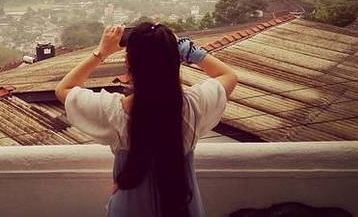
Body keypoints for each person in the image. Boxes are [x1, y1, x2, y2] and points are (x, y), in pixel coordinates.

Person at [55, 23, 238, 217]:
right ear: (175, 60)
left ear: (128, 62)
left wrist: (101, 52)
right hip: (185, 209)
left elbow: (63, 89)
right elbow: (228, 76)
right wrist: (188, 50)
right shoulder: (194, 106)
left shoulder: (114, 113)